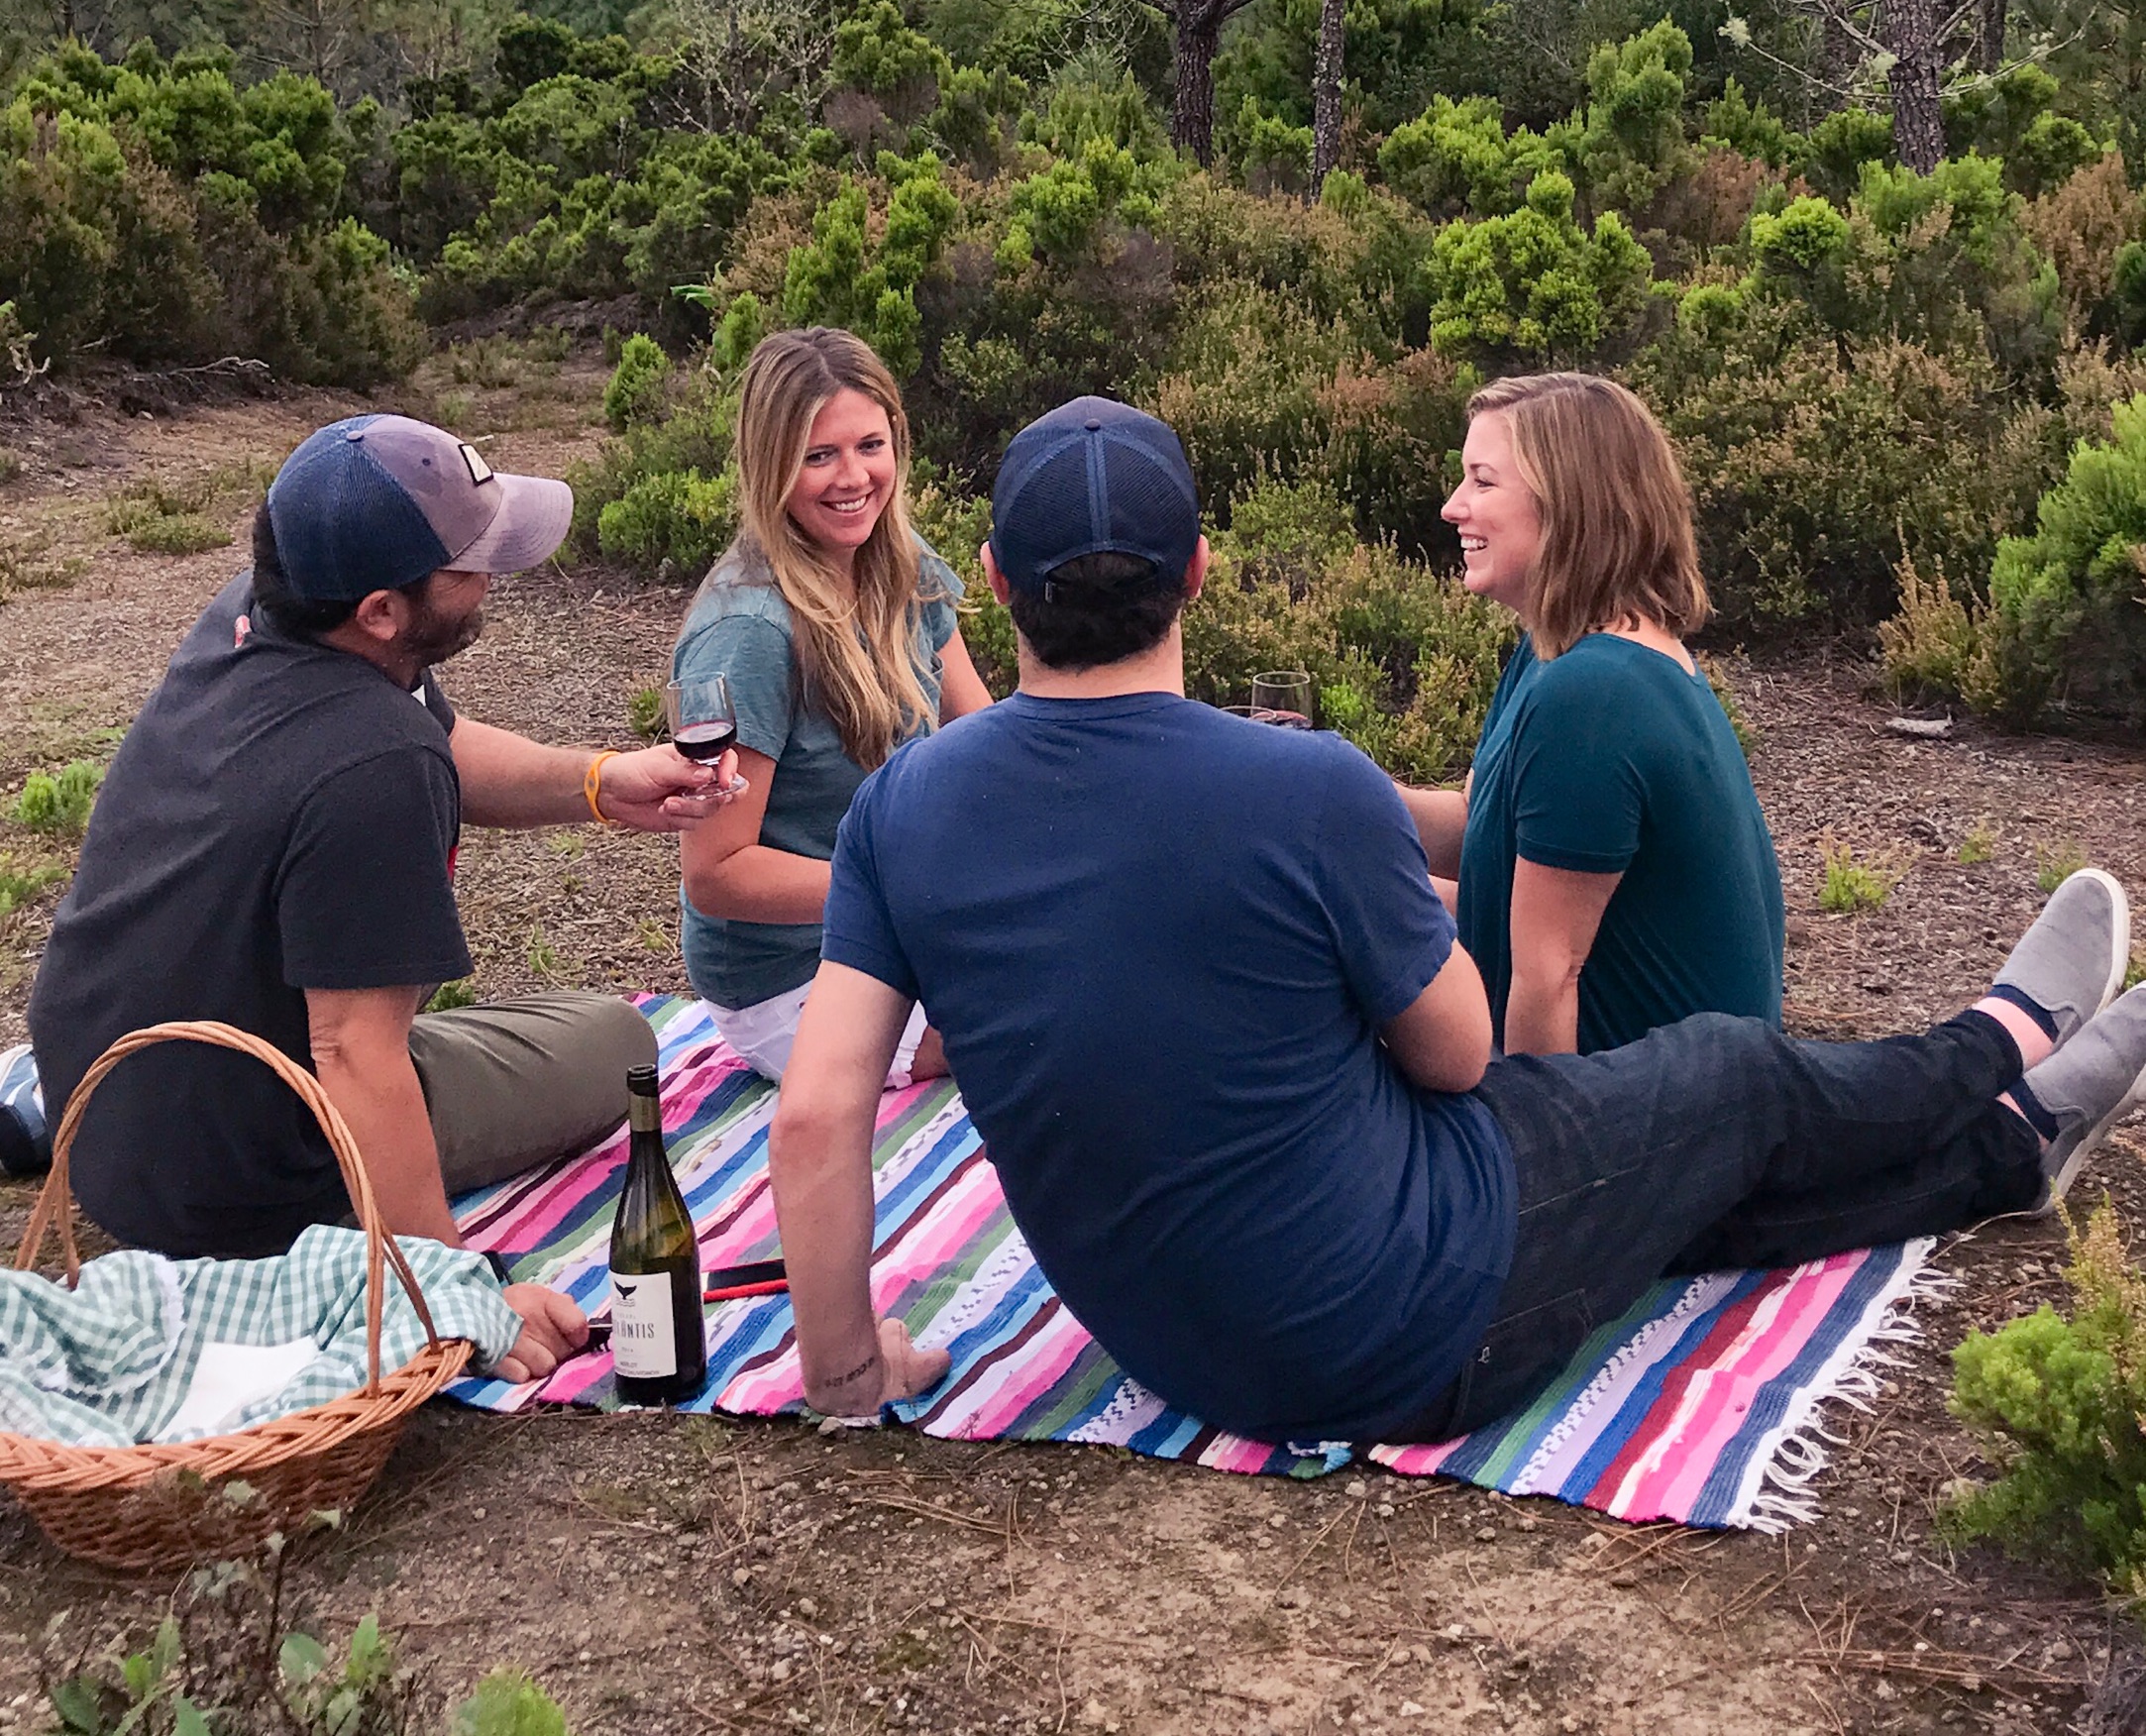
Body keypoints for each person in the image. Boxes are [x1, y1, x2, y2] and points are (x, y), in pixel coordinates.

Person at [770, 394, 2145, 1446]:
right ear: (1199, 571)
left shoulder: (905, 807)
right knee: (1726, 1074)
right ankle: (1998, 1041)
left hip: (1171, 1348)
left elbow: (821, 1111)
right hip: (1409, 1324)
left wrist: (847, 1374)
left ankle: (2007, 1150)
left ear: (997, 586)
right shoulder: (1303, 787)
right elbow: (1457, 1056)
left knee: (1673, 1164)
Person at [30, 413, 742, 1385]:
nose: (494, 576)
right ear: (380, 611)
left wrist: (599, 781)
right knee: (619, 1042)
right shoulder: (370, 767)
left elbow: (433, 736)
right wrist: (456, 1296)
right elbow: (354, 1055)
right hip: (237, 1186)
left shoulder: (256, 617)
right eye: (470, 561)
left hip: (102, 1111)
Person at [1403, 372, 1784, 1055]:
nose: (1453, 507)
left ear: (1569, 505)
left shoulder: (1597, 696)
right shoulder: (1561, 657)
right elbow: (1477, 836)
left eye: (1483, 481)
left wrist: (1523, 1152)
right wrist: (1323, 792)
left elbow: (1547, 978)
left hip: (1654, 1131)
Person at [675, 327, 993, 1081]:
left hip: (903, 930)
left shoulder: (899, 562)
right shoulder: (749, 632)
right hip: (795, 977)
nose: (853, 478)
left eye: (870, 446)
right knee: (1050, 1024)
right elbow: (717, 871)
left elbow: (979, 737)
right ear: (770, 466)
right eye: (818, 456)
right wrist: (904, 892)